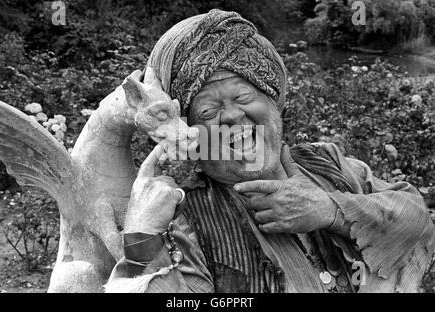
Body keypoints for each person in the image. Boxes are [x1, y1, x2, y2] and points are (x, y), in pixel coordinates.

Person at [105, 9, 435, 293]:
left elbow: (417, 220)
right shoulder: (188, 221)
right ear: (191, 136)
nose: (232, 115)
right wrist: (142, 236)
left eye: (244, 97)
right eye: (208, 112)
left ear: (274, 104)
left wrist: (332, 210)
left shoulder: (329, 163)